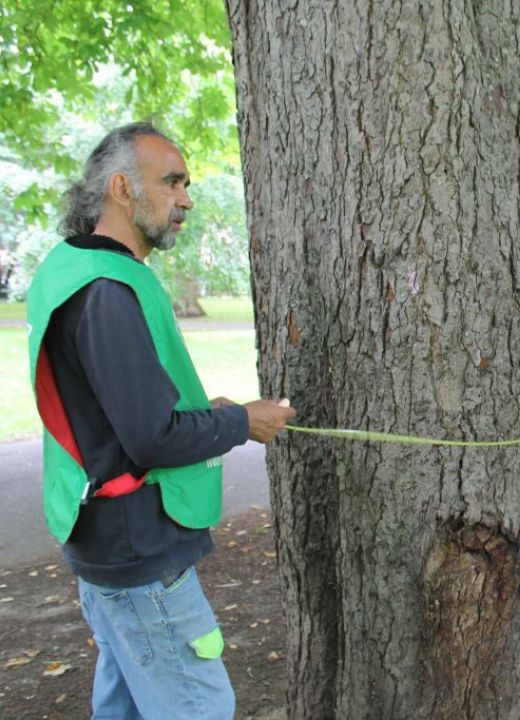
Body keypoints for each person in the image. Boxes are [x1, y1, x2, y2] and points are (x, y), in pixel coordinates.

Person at [26, 122, 296, 719]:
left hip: (105, 543)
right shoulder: (106, 292)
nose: (187, 199)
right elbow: (151, 437)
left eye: (187, 183)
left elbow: (115, 415)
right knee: (197, 707)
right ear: (122, 188)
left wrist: (210, 415)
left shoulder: (73, 269)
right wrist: (242, 423)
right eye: (171, 182)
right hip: (136, 555)